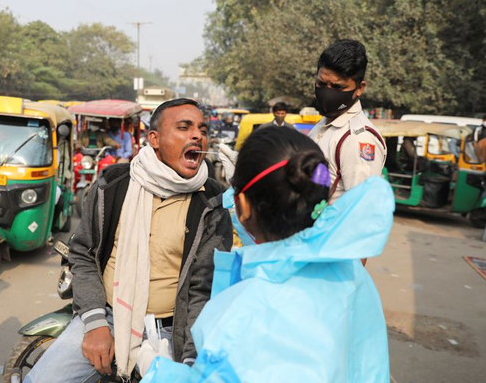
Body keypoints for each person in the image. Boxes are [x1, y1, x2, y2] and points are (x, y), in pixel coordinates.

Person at [143, 126, 393, 383]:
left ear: (243, 206)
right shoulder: (348, 270)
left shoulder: (249, 311)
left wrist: (159, 372)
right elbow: (281, 250)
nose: (195, 135)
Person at [25, 98, 232, 382]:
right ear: (155, 139)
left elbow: (204, 290)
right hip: (109, 315)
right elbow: (83, 254)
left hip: (176, 328)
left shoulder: (213, 202)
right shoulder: (113, 185)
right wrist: (95, 323)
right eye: (184, 127)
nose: (198, 135)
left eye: (202, 129)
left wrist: (191, 357)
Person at [308, 39, 386, 203]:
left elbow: (360, 211)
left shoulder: (357, 139)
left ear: (360, 88)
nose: (327, 93)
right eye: (321, 84)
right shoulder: (323, 125)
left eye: (338, 87)